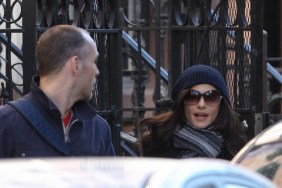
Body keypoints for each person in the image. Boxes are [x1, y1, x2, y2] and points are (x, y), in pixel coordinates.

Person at [0, 25, 115, 157]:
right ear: (76, 64)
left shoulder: (98, 129)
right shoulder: (7, 123)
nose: (97, 71)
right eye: (94, 62)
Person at [139, 64, 247, 160]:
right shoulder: (155, 145)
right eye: (192, 96)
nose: (201, 104)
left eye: (211, 97)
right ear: (181, 102)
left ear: (221, 104)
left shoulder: (239, 150)